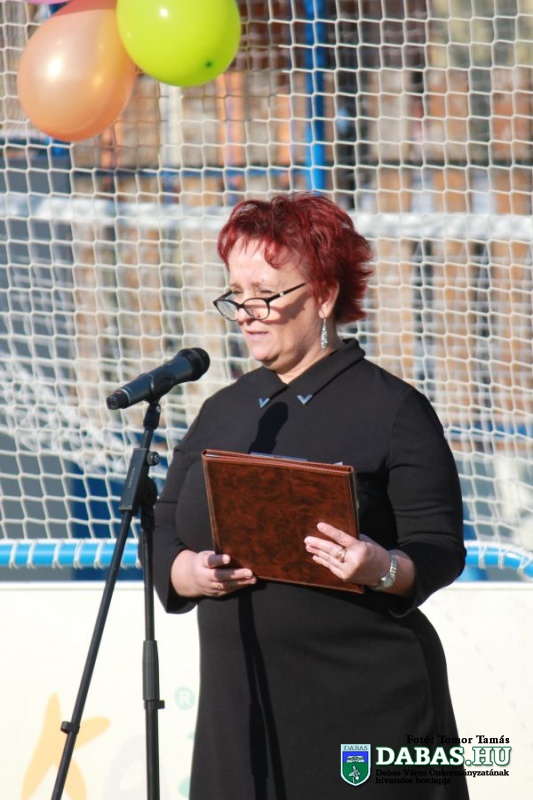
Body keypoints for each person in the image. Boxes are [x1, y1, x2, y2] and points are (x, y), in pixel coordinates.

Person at [152, 192, 469, 799]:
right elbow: (164, 523)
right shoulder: (223, 411)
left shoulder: (393, 410)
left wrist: (381, 568)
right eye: (237, 294)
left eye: (266, 294)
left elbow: (439, 546)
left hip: (370, 719)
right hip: (240, 719)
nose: (247, 313)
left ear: (323, 294)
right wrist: (186, 572)